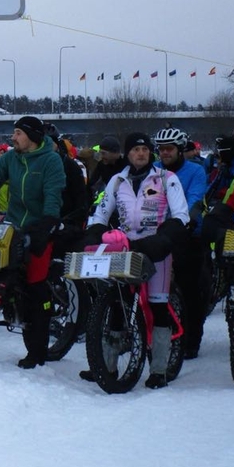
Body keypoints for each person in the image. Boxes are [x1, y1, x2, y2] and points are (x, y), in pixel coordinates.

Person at [80, 132, 190, 388]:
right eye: (135, 150)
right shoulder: (117, 180)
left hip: (156, 249)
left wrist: (165, 237)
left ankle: (159, 370)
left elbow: (181, 214)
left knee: (157, 306)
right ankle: (105, 365)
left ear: (150, 153)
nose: (140, 153)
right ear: (127, 154)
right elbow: (102, 211)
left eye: (144, 149)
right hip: (125, 246)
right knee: (118, 304)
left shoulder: (166, 178)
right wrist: (93, 231)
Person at [0, 116, 65, 369]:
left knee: (35, 288)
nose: (13, 137)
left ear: (32, 136)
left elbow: (54, 194)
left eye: (18, 133)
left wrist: (48, 221)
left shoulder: (51, 160)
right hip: (14, 224)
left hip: (42, 226)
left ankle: (37, 349)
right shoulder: (10, 157)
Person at [152, 127, 208, 358]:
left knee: (190, 289)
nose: (164, 153)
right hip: (158, 234)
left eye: (169, 149)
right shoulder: (154, 171)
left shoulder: (195, 171)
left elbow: (195, 199)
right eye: (161, 149)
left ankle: (192, 339)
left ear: (180, 149)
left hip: (188, 233)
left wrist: (189, 220)